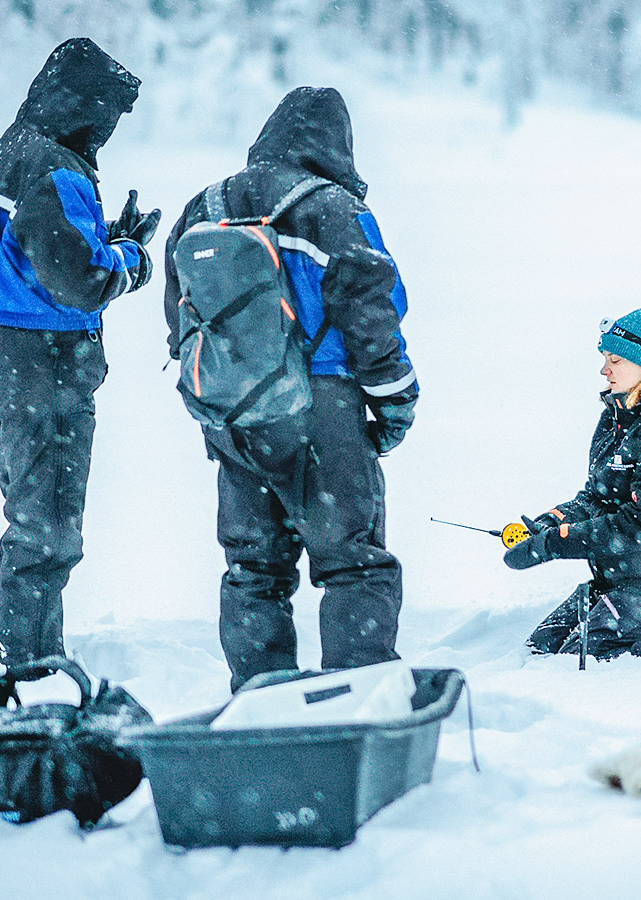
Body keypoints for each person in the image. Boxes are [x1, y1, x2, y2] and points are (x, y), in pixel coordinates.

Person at [162, 87, 418, 691]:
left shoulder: (203, 205)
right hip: (321, 406)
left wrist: (217, 405)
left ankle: (261, 707)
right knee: (353, 563)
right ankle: (356, 703)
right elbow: (372, 311)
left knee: (253, 569)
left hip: (232, 414)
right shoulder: (329, 207)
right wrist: (395, 399)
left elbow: (179, 317)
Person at [0, 38, 159, 668]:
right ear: (85, 105)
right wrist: (130, 258)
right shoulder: (55, 166)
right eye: (107, 114)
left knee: (33, 515)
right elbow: (77, 283)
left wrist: (104, 238)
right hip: (42, 361)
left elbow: (32, 252)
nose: (108, 128)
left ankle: (24, 651)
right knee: (45, 524)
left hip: (6, 353)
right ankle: (23, 662)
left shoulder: (8, 151)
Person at [504, 306, 641, 659]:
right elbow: (596, 498)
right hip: (614, 582)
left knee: (581, 658)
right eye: (606, 358)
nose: (604, 369)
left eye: (617, 360)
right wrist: (552, 523)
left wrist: (553, 545)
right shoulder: (613, 420)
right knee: (540, 650)